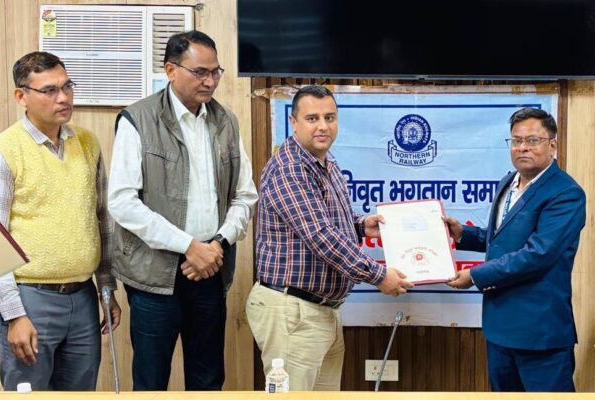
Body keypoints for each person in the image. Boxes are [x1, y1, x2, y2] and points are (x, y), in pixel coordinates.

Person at [108, 30, 257, 391]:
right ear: (170, 70)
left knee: (208, 379)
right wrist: (189, 246)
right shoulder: (138, 119)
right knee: (151, 381)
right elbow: (123, 202)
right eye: (200, 72)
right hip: (154, 274)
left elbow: (245, 196)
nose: (210, 81)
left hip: (210, 268)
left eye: (216, 72)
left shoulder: (225, 121)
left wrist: (216, 245)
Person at [246, 85, 413, 391]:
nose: (322, 126)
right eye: (312, 118)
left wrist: (360, 225)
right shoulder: (290, 169)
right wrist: (378, 276)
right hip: (293, 311)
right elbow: (321, 236)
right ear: (294, 122)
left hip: (322, 310)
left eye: (329, 117)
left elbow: (326, 221)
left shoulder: (325, 162)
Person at [0, 51, 121, 391]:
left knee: (81, 393)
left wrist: (107, 288)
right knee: (28, 394)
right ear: (21, 96)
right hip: (29, 298)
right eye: (49, 90)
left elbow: (102, 221)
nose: (63, 97)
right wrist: (14, 315)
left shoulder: (87, 143)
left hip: (83, 296)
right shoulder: (4, 149)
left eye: (67, 86)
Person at [444, 108, 586, 392]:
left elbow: (538, 254)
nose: (523, 147)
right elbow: (502, 239)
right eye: (516, 140)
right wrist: (463, 234)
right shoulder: (508, 183)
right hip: (499, 328)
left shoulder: (566, 193)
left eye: (532, 140)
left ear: (552, 145)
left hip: (540, 334)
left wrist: (475, 276)